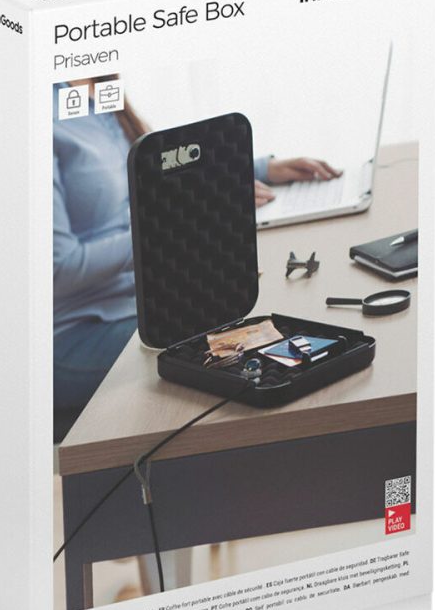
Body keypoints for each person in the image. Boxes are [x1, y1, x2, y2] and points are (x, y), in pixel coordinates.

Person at [53, 75, 340, 442]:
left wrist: (255, 169)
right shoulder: (43, 116)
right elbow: (59, 268)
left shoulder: (96, 90)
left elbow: (149, 177)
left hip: (144, 301)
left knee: (263, 322)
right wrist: (164, 226)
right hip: (77, 334)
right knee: (234, 351)